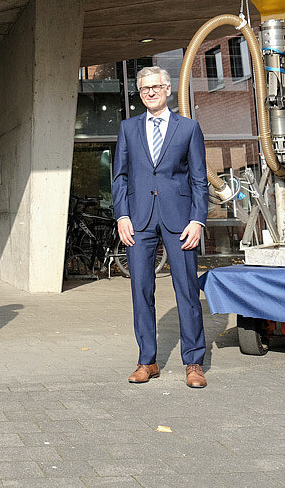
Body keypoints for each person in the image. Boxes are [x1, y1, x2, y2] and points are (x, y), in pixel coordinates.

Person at [112, 65, 209, 389]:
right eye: (144, 89)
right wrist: (122, 216)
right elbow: (120, 177)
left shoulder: (189, 128)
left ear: (168, 89)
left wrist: (197, 220)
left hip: (180, 220)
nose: (150, 92)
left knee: (187, 290)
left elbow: (199, 179)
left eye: (155, 87)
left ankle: (193, 362)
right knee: (141, 290)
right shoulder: (128, 128)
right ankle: (147, 361)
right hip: (138, 221)